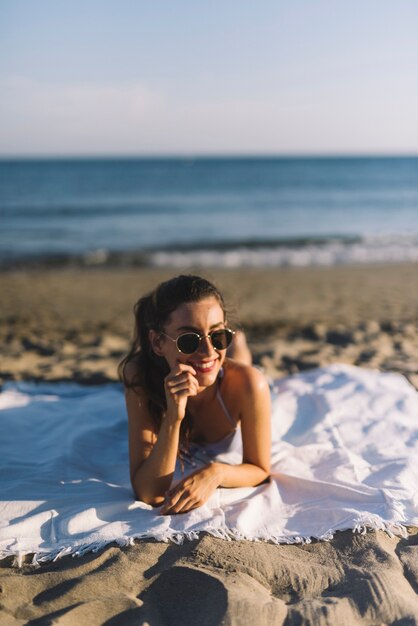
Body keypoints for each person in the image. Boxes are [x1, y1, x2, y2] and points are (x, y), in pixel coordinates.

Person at [119, 274, 271, 515]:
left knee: (239, 364)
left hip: (233, 377)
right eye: (189, 340)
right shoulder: (140, 376)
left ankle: (237, 342)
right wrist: (173, 417)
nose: (208, 349)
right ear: (158, 342)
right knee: (217, 363)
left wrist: (216, 472)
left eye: (219, 335)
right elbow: (149, 492)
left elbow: (260, 469)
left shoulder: (249, 384)